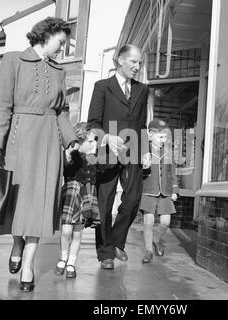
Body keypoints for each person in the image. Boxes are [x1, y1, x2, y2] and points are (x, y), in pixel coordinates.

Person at [0, 17, 78, 292]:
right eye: (61, 42)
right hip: (18, 138)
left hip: (49, 141)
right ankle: (17, 241)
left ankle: (28, 265)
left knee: (41, 202)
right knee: (18, 200)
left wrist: (70, 141)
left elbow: (61, 111)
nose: (62, 48)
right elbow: (2, 105)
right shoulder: (13, 60)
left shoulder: (59, 71)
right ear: (45, 36)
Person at [87, 44, 151, 269]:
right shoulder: (102, 87)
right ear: (120, 60)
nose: (137, 66)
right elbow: (93, 124)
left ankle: (116, 241)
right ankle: (106, 254)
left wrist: (145, 151)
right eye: (133, 61)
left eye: (139, 62)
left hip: (133, 151)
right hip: (107, 152)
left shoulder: (142, 90)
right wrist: (106, 138)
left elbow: (141, 124)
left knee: (133, 198)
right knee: (104, 204)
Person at [55, 122, 99, 278]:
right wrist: (68, 153)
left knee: (78, 233)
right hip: (71, 194)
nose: (94, 144)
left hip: (85, 195)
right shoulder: (72, 154)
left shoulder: (94, 157)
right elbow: (63, 166)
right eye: (91, 141)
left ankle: (71, 263)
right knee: (66, 231)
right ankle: (63, 257)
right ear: (81, 140)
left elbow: (105, 168)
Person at [139, 119, 179, 263]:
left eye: (165, 137)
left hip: (166, 191)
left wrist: (175, 189)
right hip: (148, 190)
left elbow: (173, 172)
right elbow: (137, 172)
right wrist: (143, 167)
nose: (163, 140)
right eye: (160, 137)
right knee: (148, 222)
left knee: (165, 222)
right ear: (150, 135)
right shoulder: (144, 151)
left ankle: (156, 239)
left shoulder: (168, 152)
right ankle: (148, 251)